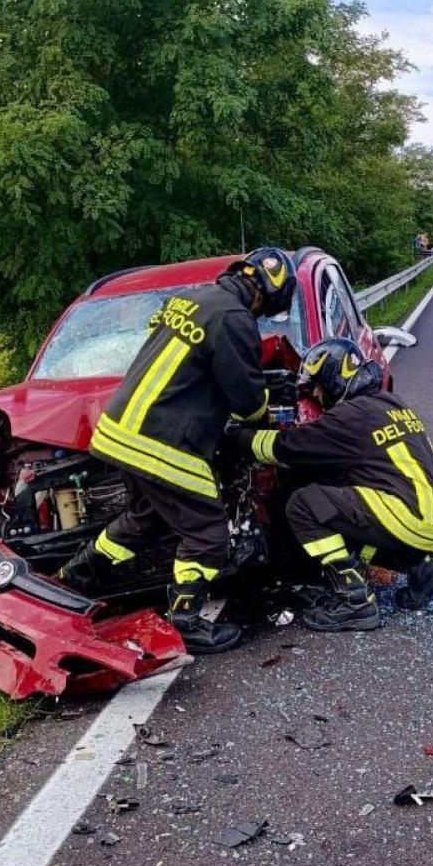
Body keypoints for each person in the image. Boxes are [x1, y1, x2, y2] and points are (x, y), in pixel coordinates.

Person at [57, 246, 297, 655]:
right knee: (207, 532)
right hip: (162, 442)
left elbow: (194, 367)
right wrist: (269, 405)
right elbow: (246, 401)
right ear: (266, 294)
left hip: (118, 432)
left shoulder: (191, 300)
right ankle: (186, 621)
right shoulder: (235, 317)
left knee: (145, 518)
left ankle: (74, 578)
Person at [232, 337, 433, 631]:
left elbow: (287, 448)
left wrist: (238, 437)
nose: (316, 396)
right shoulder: (388, 402)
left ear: (333, 379)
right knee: (341, 512)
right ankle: (422, 568)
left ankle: (354, 602)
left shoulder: (348, 417)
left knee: (304, 506)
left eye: (317, 388)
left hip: (405, 514)